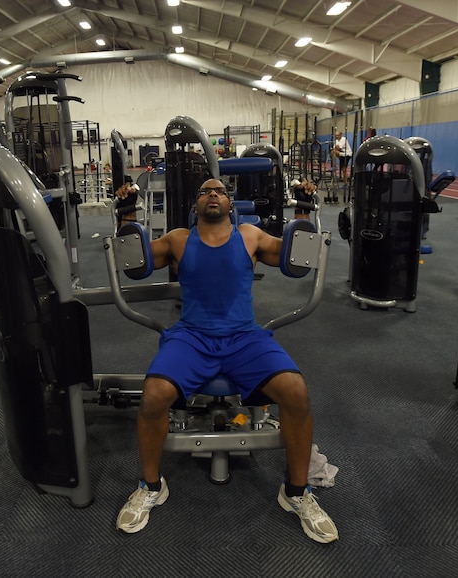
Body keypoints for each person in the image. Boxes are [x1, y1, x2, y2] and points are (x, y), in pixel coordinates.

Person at [115, 178, 338, 544]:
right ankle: (151, 486)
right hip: (192, 336)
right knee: (153, 395)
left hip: (244, 337)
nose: (213, 194)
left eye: (220, 191)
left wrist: (303, 206)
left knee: (295, 391)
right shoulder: (178, 240)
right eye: (204, 191)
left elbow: (297, 260)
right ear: (197, 204)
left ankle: (297, 493)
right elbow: (134, 263)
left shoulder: (249, 235)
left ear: (230, 205)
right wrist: (126, 211)